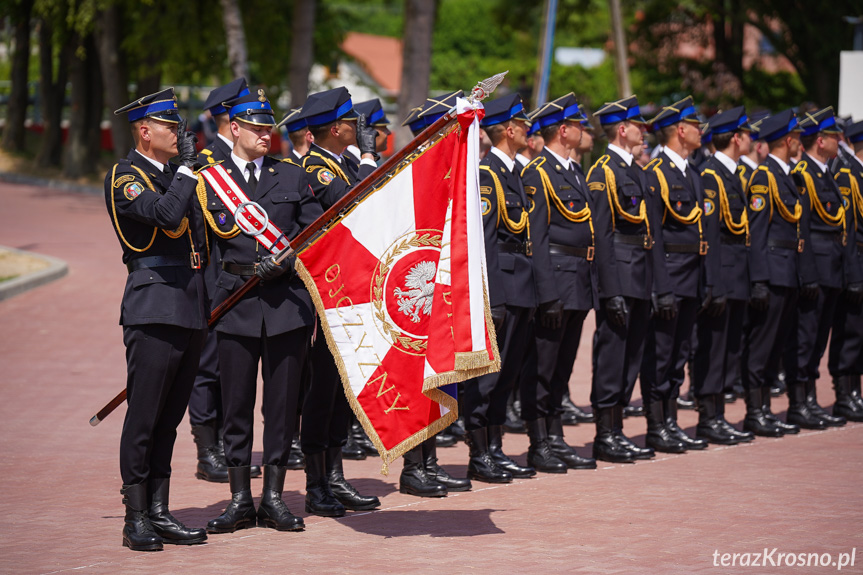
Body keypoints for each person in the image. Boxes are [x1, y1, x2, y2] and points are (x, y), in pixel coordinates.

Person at [197, 89, 321, 534]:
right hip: (235, 301)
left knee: (283, 407)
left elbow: (313, 232)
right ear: (234, 129)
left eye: (268, 127)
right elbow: (200, 247)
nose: (265, 134)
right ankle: (238, 500)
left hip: (286, 304)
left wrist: (286, 259)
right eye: (255, 127)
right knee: (236, 406)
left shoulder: (290, 175)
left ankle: (273, 498)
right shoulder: (210, 179)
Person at [107, 88, 208, 550]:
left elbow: (199, 239)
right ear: (145, 131)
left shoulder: (172, 174)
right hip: (153, 307)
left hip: (188, 304)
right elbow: (167, 218)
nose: (180, 134)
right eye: (171, 127)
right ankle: (136, 517)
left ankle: (161, 510)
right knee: (145, 417)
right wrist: (186, 171)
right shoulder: (126, 177)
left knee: (168, 419)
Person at [294, 87, 384, 514]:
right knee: (321, 392)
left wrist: (363, 160)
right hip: (326, 299)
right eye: (352, 122)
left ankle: (335, 476)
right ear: (336, 128)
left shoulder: (340, 163)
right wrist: (368, 159)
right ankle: (317, 484)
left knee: (341, 392)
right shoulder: (316, 168)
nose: (359, 128)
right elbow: (355, 208)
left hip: (350, 294)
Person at [396, 90, 473, 496]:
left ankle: (430, 463)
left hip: (437, 291)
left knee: (440, 376)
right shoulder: (414, 172)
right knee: (417, 380)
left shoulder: (445, 171)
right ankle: (414, 468)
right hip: (416, 294)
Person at [188, 77, 262, 484]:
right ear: (229, 119)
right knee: (208, 366)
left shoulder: (247, 164)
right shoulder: (205, 165)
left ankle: (226, 446)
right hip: (214, 279)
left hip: (246, 283)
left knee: (233, 368)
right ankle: (207, 449)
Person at [520, 93, 598, 472]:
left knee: (563, 367)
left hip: (578, 281)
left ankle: (556, 436)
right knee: (543, 366)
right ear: (563, 131)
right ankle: (539, 442)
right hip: (556, 281)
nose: (584, 131)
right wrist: (547, 293)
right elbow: (536, 238)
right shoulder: (538, 172)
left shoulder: (572, 171)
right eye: (578, 125)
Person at [641, 96, 721, 453]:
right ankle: (657, 425)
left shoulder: (691, 172)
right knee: (660, 353)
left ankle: (671, 420)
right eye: (696, 125)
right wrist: (661, 287)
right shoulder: (657, 173)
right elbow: (655, 237)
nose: (702, 131)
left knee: (680, 353)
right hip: (670, 275)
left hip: (691, 275)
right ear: (680, 130)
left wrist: (705, 280)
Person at [585, 95, 657, 463]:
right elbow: (601, 235)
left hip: (641, 276)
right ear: (622, 129)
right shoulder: (604, 172)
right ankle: (605, 434)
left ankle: (617, 429)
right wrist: (610, 290)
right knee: (613, 356)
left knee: (632, 356)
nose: (645, 132)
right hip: (620, 278)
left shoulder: (637, 172)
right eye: (639, 126)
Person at [741, 109, 811, 437]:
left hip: (789, 271)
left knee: (777, 345)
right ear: (787, 139)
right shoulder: (764, 177)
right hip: (771, 271)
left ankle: (766, 408)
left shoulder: (787, 175)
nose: (800, 143)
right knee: (761, 345)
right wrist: (759, 280)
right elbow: (756, 233)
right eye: (797, 137)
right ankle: (755, 411)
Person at [693, 106, 756, 444]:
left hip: (737, 275)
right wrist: (713, 283)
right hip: (722, 275)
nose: (750, 140)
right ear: (736, 137)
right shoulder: (712, 175)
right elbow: (712, 235)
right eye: (746, 134)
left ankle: (718, 413)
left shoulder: (733, 174)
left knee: (730, 347)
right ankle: (708, 416)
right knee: (713, 347)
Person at [788, 107, 850, 428]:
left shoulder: (825, 173)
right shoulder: (802, 175)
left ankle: (810, 398)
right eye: (834, 136)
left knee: (818, 340)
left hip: (832, 270)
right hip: (815, 270)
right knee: (806, 337)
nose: (840, 141)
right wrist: (807, 272)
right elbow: (803, 229)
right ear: (821, 141)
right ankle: (799, 401)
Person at [829, 119, 863, 421]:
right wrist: (853, 272)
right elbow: (847, 229)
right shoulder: (847, 175)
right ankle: (845, 393)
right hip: (855, 260)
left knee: (860, 331)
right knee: (850, 330)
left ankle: (855, 391)